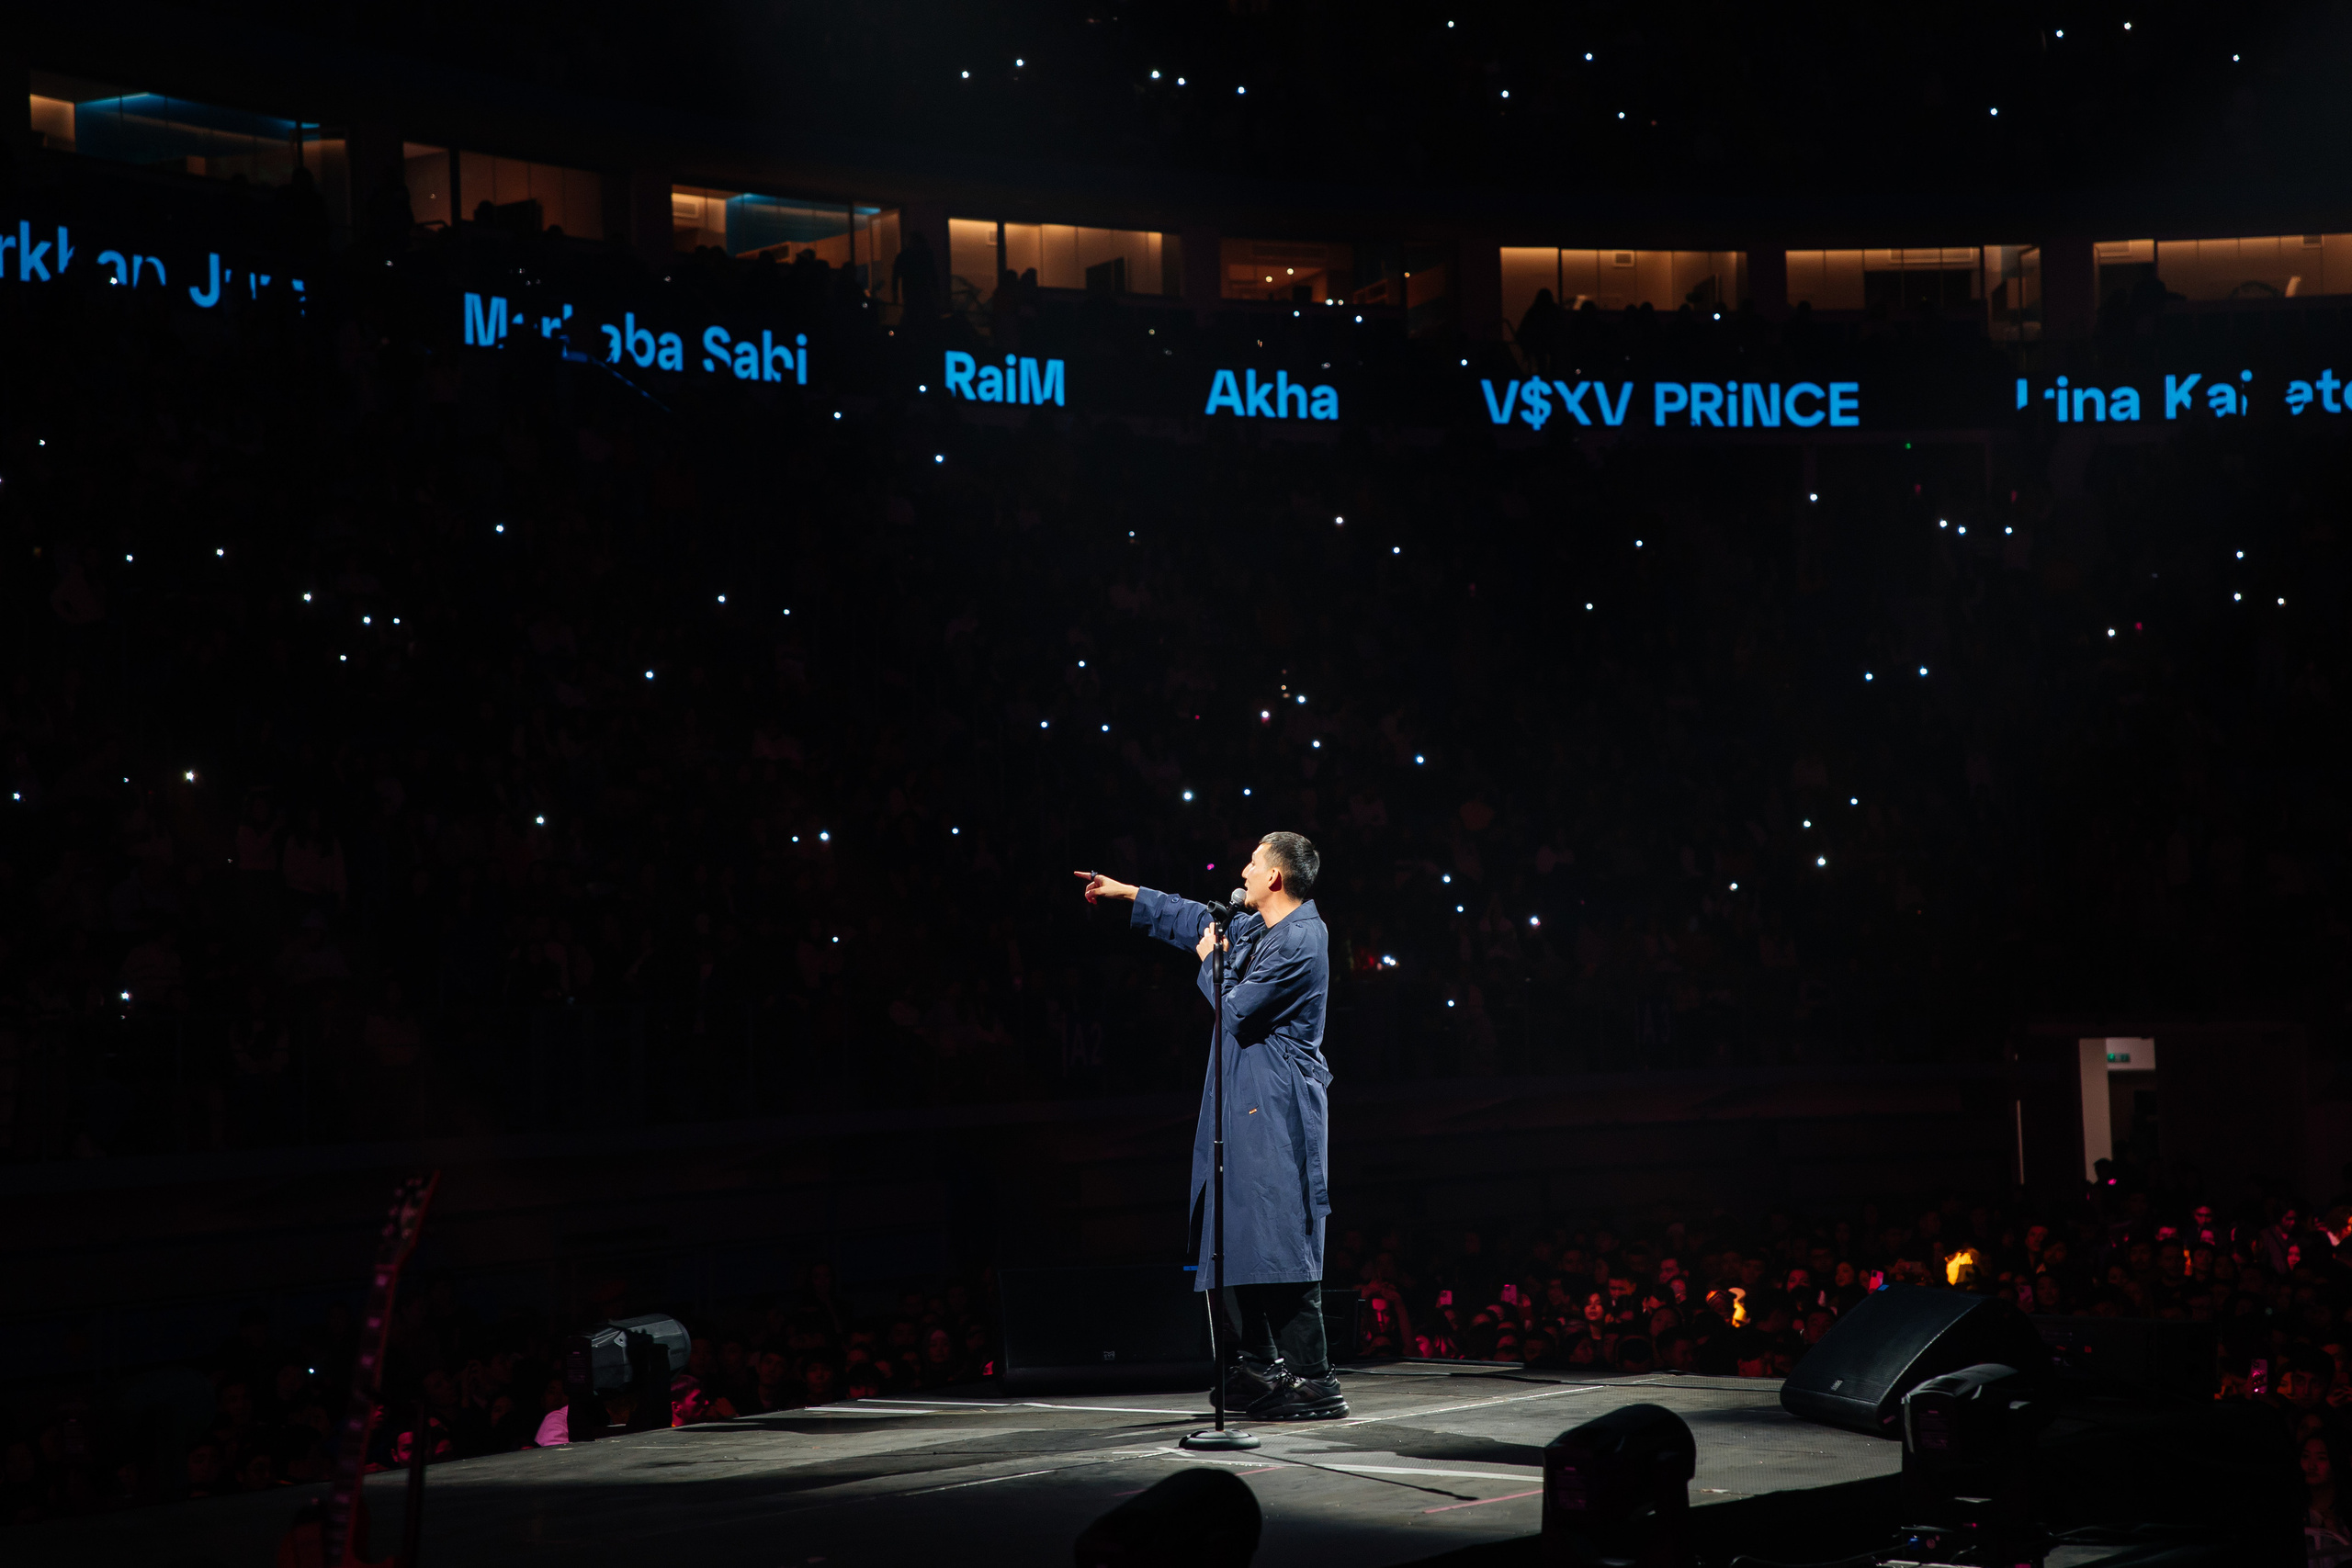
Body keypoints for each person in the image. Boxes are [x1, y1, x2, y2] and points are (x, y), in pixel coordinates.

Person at [1076, 832, 1342, 1420]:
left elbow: (1240, 1006)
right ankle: (1255, 1366)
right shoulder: (1262, 927)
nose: (1242, 870)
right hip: (1239, 1094)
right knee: (1229, 1235)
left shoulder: (1303, 938)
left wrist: (1210, 960)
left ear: (1275, 876)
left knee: (1277, 1237)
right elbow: (1197, 917)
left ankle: (1314, 1378)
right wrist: (1127, 893)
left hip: (1276, 1101)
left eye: (1252, 862)